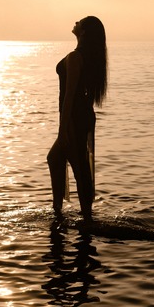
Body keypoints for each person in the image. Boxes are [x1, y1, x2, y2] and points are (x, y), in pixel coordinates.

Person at [47, 16, 108, 223]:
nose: (75, 22)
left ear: (83, 32)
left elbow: (69, 97)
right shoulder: (90, 58)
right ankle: (59, 211)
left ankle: (84, 216)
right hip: (84, 115)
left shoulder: (75, 57)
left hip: (74, 116)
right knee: (59, 159)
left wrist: (63, 130)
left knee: (77, 164)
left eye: (79, 21)